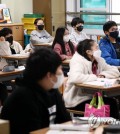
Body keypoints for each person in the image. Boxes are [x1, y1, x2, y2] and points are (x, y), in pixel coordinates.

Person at [1, 48, 71, 134]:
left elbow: (66, 121)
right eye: (60, 68)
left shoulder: (52, 90)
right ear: (49, 75)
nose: (62, 73)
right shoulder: (23, 98)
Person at [63, 39, 120, 119]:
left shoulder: (98, 60)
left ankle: (112, 128)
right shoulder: (78, 61)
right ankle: (110, 129)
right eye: (96, 48)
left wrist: (103, 75)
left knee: (112, 102)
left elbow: (115, 71)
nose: (99, 50)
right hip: (77, 99)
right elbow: (75, 77)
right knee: (111, 104)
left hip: (93, 96)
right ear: (88, 52)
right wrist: (94, 77)